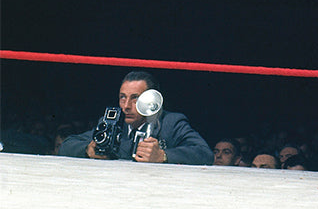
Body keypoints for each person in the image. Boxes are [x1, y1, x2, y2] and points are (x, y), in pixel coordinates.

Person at [58, 70, 213, 165]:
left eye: (135, 98)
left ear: (152, 100)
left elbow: (204, 153)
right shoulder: (114, 122)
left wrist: (162, 156)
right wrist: (88, 150)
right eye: (122, 97)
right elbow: (67, 145)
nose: (126, 106)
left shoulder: (171, 123)